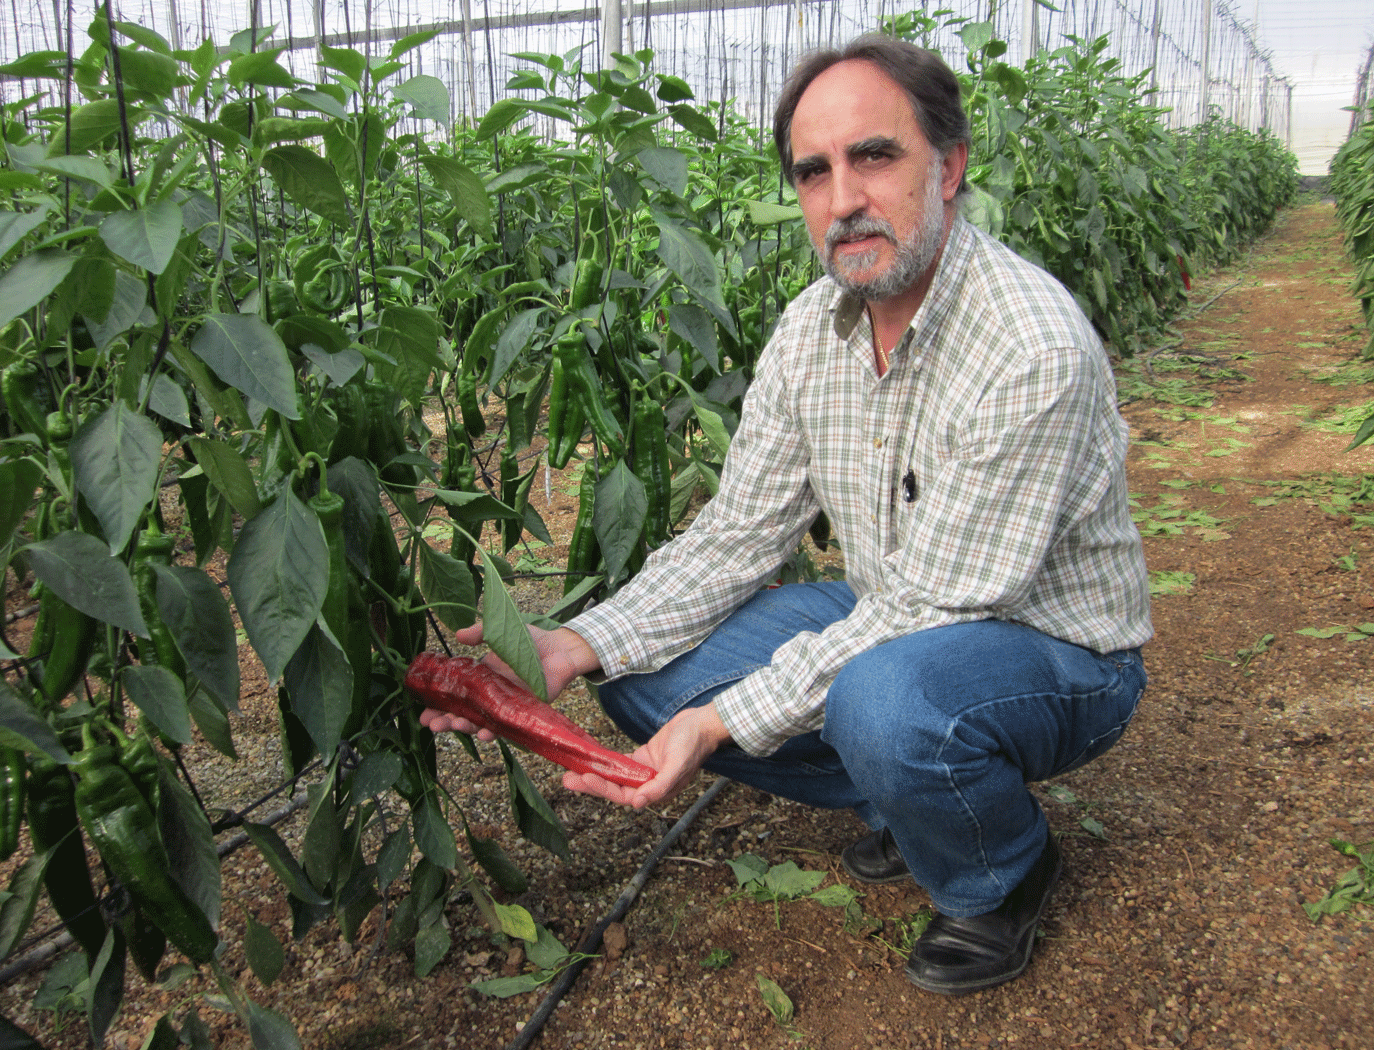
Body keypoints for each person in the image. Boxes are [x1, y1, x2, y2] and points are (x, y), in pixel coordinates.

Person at [422, 32, 1152, 996]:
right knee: (647, 678)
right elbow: (737, 532)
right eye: (814, 172)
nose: (843, 198)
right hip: (896, 621)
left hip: (1056, 654)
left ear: (949, 167)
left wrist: (724, 722)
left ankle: (1000, 871)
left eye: (875, 156)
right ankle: (916, 797)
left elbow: (937, 605)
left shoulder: (1029, 343)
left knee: (880, 701)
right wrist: (577, 644)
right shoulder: (814, 329)